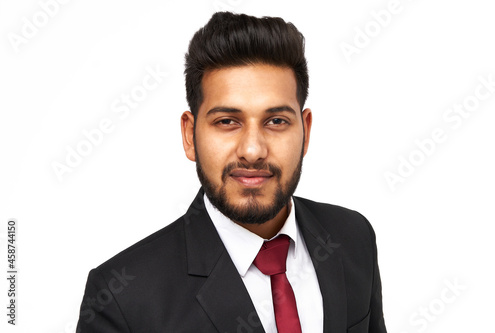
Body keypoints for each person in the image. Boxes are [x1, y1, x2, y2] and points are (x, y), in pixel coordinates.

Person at [76, 11, 387, 333]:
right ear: (190, 135)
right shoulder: (121, 295)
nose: (252, 150)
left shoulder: (352, 236)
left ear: (305, 130)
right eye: (227, 121)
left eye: (276, 121)